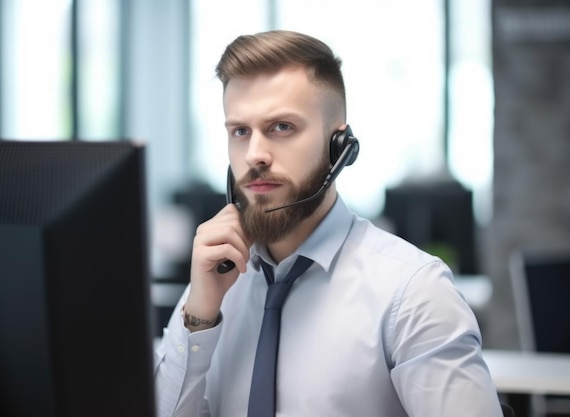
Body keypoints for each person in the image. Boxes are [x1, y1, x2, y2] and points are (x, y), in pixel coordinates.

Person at [154, 30, 503, 417]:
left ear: (339, 147)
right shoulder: (213, 287)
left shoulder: (412, 292)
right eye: (240, 131)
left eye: (281, 127)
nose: (254, 155)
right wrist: (199, 318)